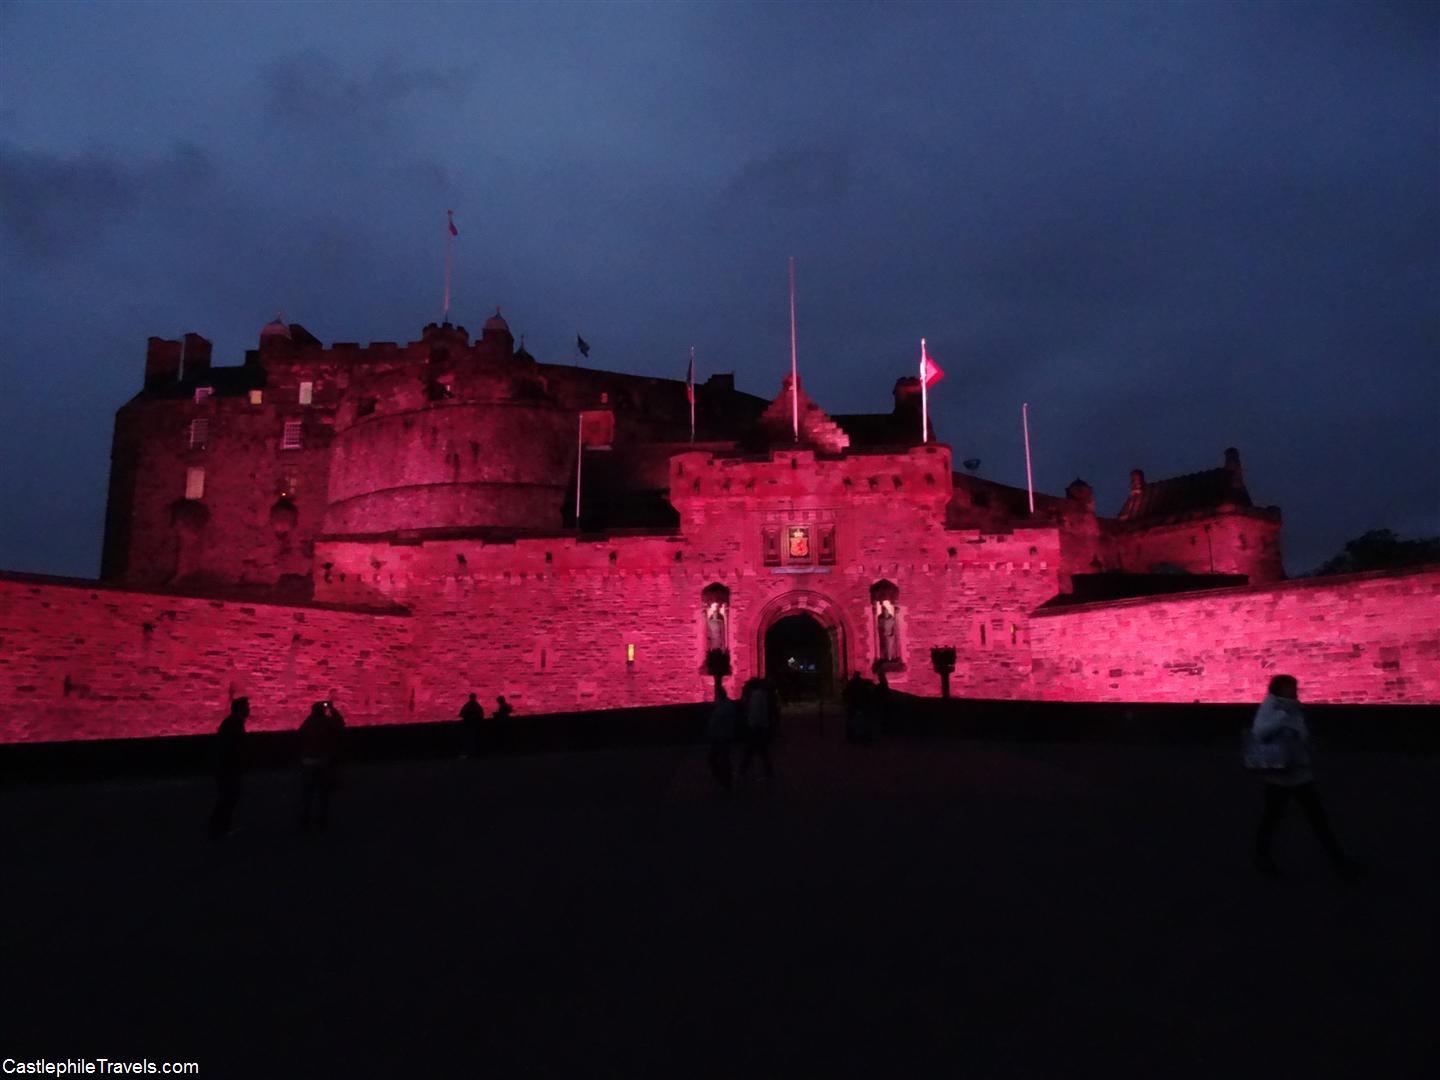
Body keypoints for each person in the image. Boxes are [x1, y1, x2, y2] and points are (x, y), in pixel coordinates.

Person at [1249, 674, 1361, 878]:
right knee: (1274, 819)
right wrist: (1284, 717)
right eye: (1289, 687)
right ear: (1278, 689)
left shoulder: (1294, 706)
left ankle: (1340, 862)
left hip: (1299, 773)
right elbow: (1259, 732)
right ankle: (1261, 857)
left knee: (1316, 819)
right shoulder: (1272, 706)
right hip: (1281, 775)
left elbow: (1301, 733)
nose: (1293, 690)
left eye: (1294, 687)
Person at [299, 699, 345, 831]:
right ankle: (320, 823)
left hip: (308, 763)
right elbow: (341, 725)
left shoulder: (308, 723)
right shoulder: (327, 723)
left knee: (307, 794)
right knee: (322, 794)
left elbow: (300, 733)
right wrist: (332, 709)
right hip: (322, 763)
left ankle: (304, 822)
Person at [210, 697, 249, 839]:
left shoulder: (231, 723)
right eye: (246, 707)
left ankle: (219, 827)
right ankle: (220, 829)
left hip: (226, 768)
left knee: (227, 799)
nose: (249, 710)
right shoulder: (234, 725)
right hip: (229, 769)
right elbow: (233, 749)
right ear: (240, 709)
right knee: (228, 799)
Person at [739, 678, 777, 781]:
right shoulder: (761, 694)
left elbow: (755, 713)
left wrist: (752, 724)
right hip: (760, 727)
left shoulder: (756, 696)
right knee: (757, 750)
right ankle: (743, 770)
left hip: (757, 728)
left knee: (756, 750)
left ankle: (744, 770)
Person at [707, 686, 740, 790]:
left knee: (721, 759)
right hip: (721, 736)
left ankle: (725, 780)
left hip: (722, 737)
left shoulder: (723, 707)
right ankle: (725, 779)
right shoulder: (726, 705)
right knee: (722, 759)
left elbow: (717, 721)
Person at [459, 692, 485, 757]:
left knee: (469, 739)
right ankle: (476, 752)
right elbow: (481, 715)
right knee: (475, 739)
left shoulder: (467, 705)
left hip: (468, 725)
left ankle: (470, 753)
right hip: (476, 725)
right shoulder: (477, 706)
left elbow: (462, 714)